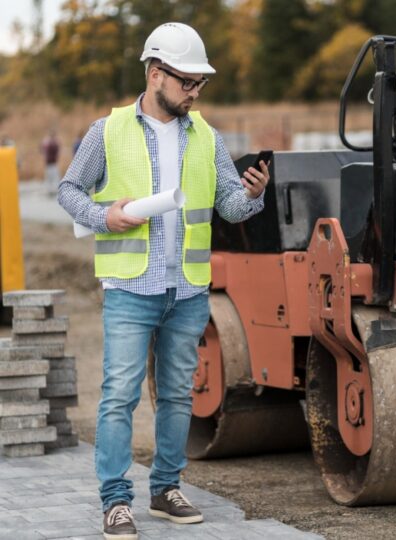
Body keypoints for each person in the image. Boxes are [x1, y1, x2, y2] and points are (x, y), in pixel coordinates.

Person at [57, 22, 270, 540]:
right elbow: (68, 191)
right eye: (187, 82)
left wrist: (254, 194)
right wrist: (107, 217)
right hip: (130, 288)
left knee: (178, 395)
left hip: (188, 290)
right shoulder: (107, 132)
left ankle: (166, 488)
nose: (196, 93)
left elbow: (229, 207)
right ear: (156, 75)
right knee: (118, 396)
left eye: (201, 84)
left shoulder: (208, 138)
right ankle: (115, 500)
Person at [41, 129, 60, 194]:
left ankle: (49, 190)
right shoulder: (52, 143)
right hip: (52, 163)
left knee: (50, 178)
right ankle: (52, 190)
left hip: (49, 163)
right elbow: (56, 149)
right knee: (54, 178)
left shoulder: (46, 142)